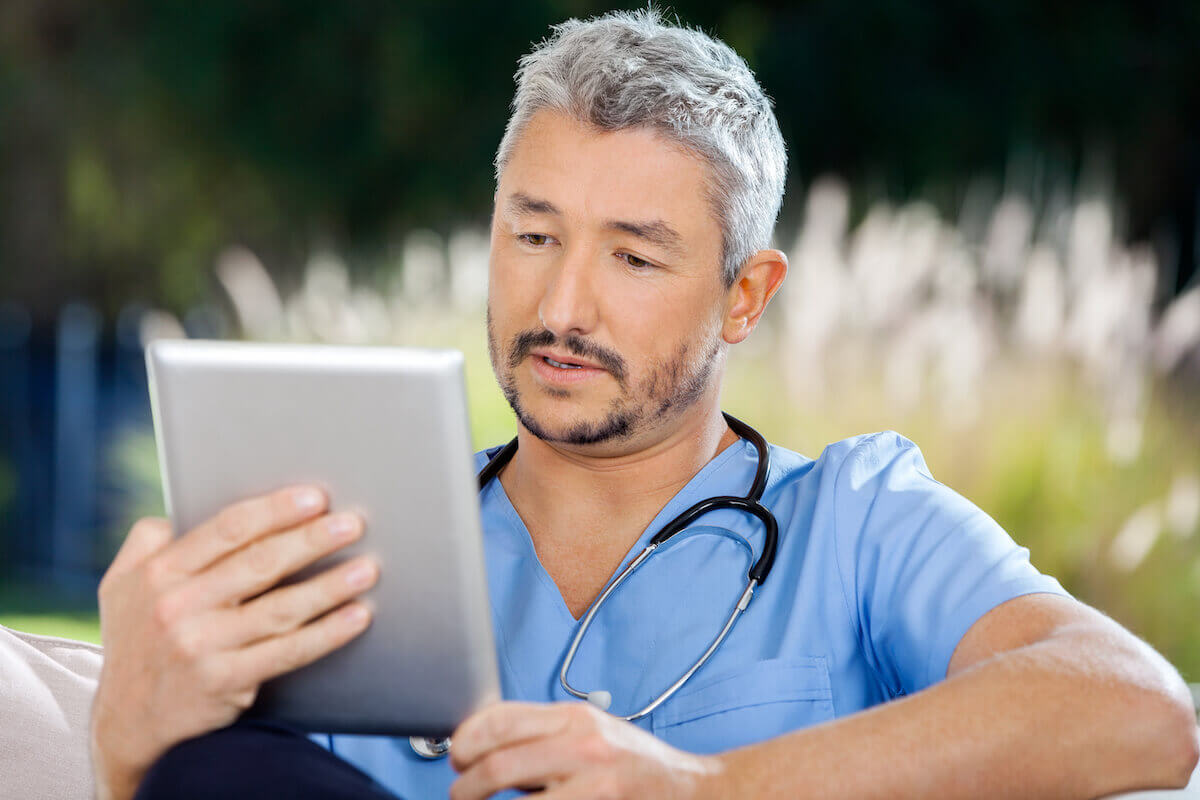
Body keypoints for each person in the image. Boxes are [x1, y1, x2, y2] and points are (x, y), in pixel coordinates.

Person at [90, 8, 1199, 800]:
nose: (562, 303)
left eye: (634, 257)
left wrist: (705, 784)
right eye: (533, 236)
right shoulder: (343, 536)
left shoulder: (859, 521)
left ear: (744, 297)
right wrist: (129, 734)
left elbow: (1137, 706)